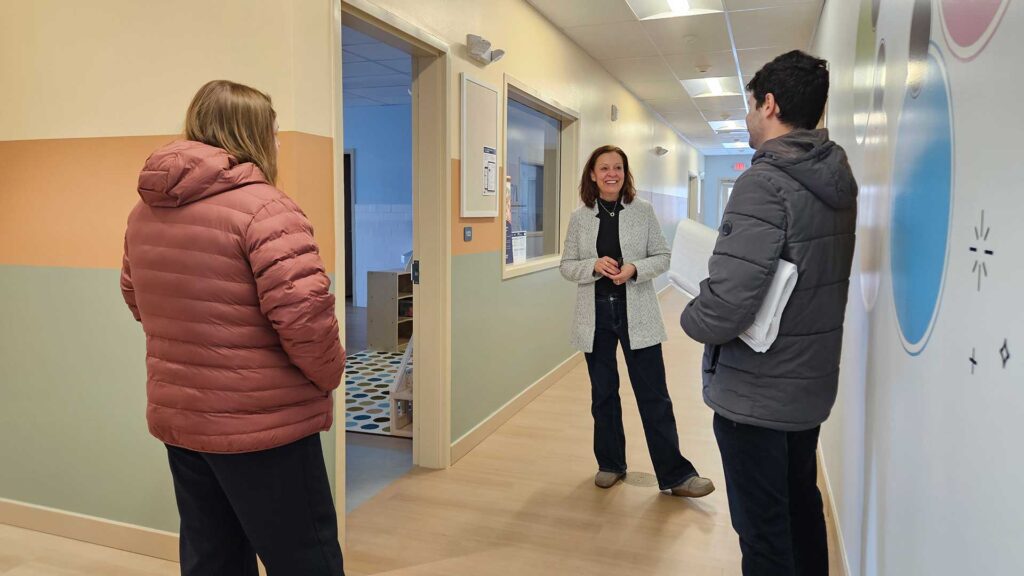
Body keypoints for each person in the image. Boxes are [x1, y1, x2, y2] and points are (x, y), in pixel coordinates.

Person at [120, 80, 346, 576]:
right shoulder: (266, 209)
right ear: (251, 133)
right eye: (275, 129)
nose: (279, 141)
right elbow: (305, 316)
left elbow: (137, 299)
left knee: (212, 555)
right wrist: (331, 376)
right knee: (306, 558)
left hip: (182, 417)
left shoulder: (145, 212)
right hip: (262, 425)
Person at [681, 50, 858, 575]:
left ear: (771, 104)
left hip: (756, 393)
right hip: (807, 383)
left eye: (751, 106)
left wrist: (693, 312)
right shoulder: (836, 181)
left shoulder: (764, 183)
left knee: (763, 534)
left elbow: (727, 306)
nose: (747, 118)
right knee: (802, 507)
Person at [560, 145, 715, 498]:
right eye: (604, 168)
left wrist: (634, 269)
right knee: (603, 395)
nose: (611, 174)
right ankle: (610, 464)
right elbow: (567, 265)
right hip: (596, 314)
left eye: (617, 167)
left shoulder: (642, 211)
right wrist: (593, 266)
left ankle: (676, 475)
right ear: (592, 174)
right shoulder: (580, 217)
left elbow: (663, 256)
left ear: (624, 173)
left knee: (654, 395)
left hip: (637, 312)